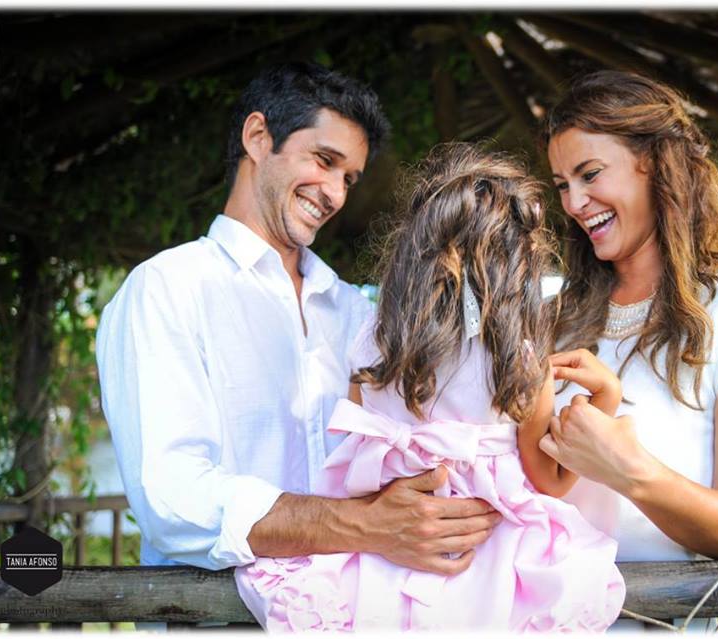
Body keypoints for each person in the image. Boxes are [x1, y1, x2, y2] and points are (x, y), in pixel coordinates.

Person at [95, 63, 502, 582]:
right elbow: (174, 499)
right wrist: (366, 525)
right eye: (324, 161)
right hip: (210, 615)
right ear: (258, 137)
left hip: (350, 609)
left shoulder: (357, 313)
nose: (334, 193)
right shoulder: (166, 289)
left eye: (348, 178)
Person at [234, 143, 626, 631]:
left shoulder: (373, 343)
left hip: (384, 554)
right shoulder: (519, 364)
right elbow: (550, 480)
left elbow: (354, 449)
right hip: (488, 556)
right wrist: (606, 398)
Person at [538, 70, 718, 609]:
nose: (574, 202)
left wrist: (630, 472)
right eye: (563, 184)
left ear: (659, 164)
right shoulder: (550, 319)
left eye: (590, 174)